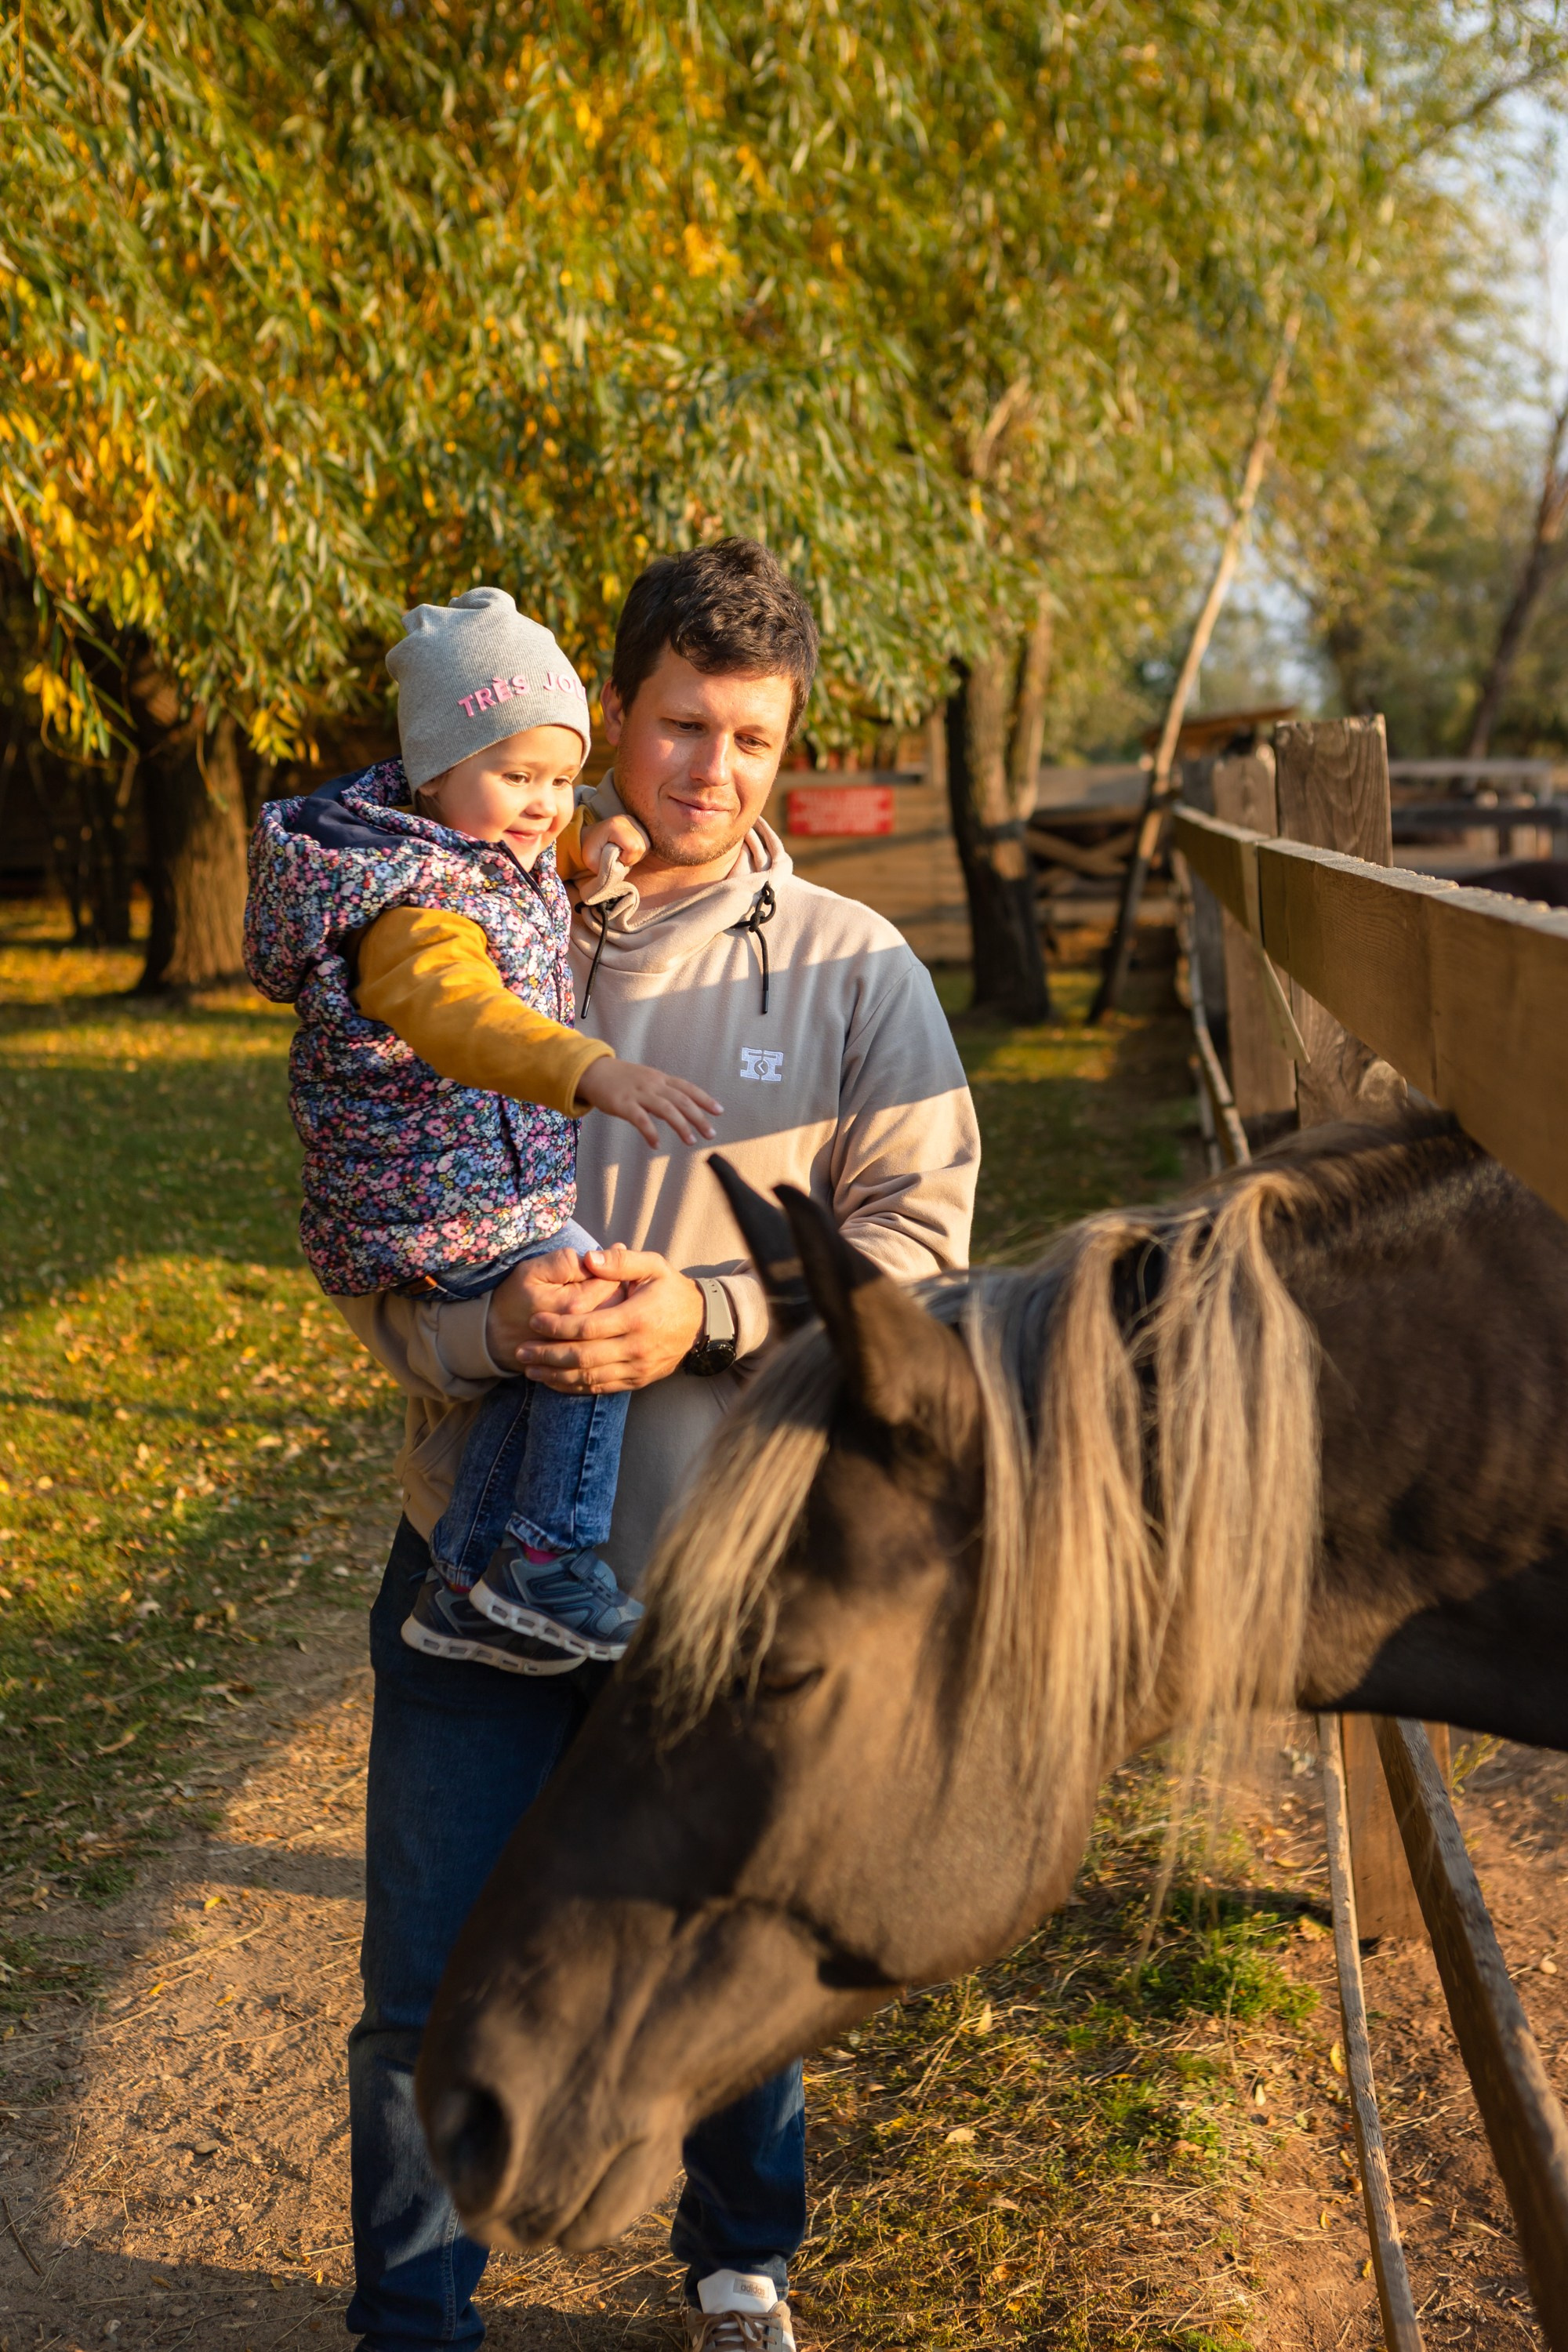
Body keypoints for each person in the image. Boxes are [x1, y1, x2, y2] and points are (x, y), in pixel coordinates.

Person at [334, 540, 982, 2352]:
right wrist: (484, 1329)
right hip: (474, 1550)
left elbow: (922, 1273)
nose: (711, 770)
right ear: (613, 710)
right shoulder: (481, 936)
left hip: (729, 1576)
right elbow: (372, 1213)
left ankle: (738, 2260)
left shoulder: (859, 978)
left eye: (754, 740)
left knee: (729, 1950)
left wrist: (698, 1315)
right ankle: (414, 2315)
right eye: (682, 724)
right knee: (422, 1982)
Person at [244, 589, 719, 1671]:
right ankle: (545, 1557)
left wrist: (610, 835)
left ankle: (461, 1580)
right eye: (519, 778)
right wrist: (591, 1072)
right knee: (591, 1305)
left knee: (542, 1339)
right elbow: (466, 1022)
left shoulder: (484, 849)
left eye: (561, 779)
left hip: (465, 1182)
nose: (546, 806)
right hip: (426, 1196)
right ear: (434, 774)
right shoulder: (411, 911)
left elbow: (554, 841)